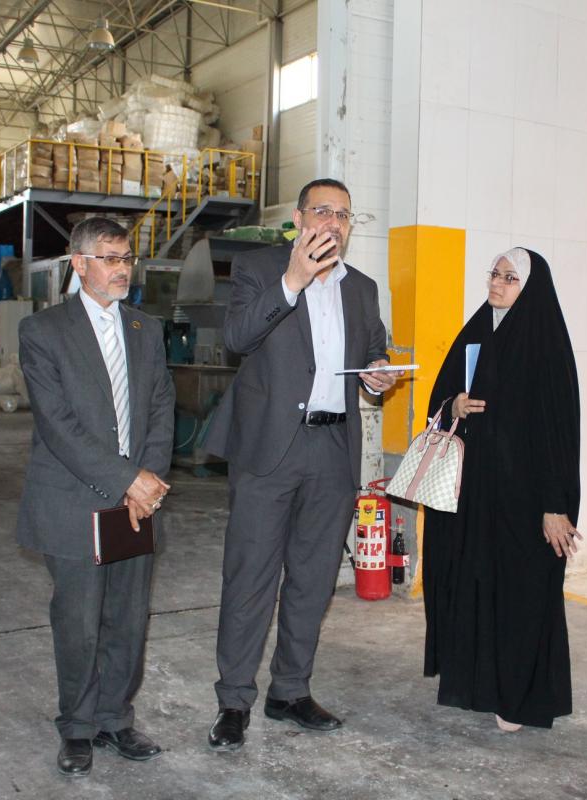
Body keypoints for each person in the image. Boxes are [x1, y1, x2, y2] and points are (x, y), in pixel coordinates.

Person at [204, 177, 398, 751]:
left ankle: (290, 691)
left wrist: (379, 372)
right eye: (322, 210)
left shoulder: (361, 287)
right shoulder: (260, 268)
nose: (333, 222)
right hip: (270, 449)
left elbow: (373, 349)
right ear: (298, 217)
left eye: (343, 214)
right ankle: (234, 700)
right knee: (250, 579)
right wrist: (293, 280)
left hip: (333, 449)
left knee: (313, 581)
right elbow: (237, 337)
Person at [16, 217, 175, 778]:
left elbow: (161, 407)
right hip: (74, 499)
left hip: (136, 502)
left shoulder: (146, 329)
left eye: (126, 258)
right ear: (79, 263)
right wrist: (126, 479)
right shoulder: (43, 331)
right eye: (109, 258)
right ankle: (78, 727)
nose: (122, 269)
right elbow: (58, 426)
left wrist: (147, 482)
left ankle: (115, 718)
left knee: (128, 619)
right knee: (80, 623)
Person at [422, 247, 581, 731]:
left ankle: (518, 698)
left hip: (526, 501)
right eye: (495, 274)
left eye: (510, 278)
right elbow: (439, 399)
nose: (497, 283)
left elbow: (557, 433)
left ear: (530, 288)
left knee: (522, 594)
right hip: (475, 497)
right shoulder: (476, 332)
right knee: (474, 583)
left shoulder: (545, 345)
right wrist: (455, 405)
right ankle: (480, 686)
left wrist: (555, 505)